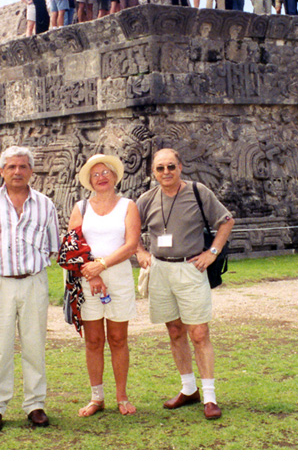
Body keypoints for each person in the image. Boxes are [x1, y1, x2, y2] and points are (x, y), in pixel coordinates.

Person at [0, 146, 60, 432]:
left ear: (32, 171)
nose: (17, 172)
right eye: (11, 167)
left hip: (34, 281)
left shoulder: (45, 204)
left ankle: (35, 405)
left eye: (23, 167)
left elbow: (53, 245)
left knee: (34, 345)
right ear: (2, 171)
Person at [136, 149, 234, 420]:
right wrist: (140, 252)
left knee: (199, 332)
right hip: (161, 270)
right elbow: (130, 230)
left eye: (170, 166)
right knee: (175, 330)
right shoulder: (146, 199)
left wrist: (211, 253)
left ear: (180, 167)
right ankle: (189, 389)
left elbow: (226, 221)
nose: (165, 172)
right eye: (160, 168)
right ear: (153, 173)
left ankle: (210, 396)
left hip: (191, 268)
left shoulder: (197, 191)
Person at [66, 154, 141, 417]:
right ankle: (96, 397)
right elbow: (73, 243)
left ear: (115, 176)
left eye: (106, 172)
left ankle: (122, 396)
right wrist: (93, 273)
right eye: (96, 174)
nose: (101, 177)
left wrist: (103, 265)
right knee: (94, 340)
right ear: (89, 180)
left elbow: (131, 244)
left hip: (118, 275)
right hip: (88, 277)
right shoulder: (81, 208)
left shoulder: (128, 206)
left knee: (118, 339)